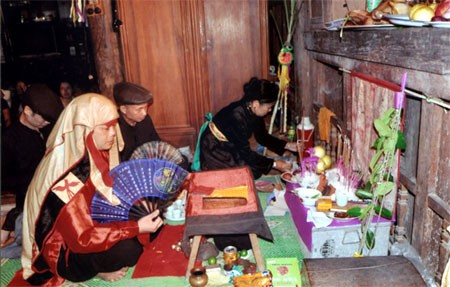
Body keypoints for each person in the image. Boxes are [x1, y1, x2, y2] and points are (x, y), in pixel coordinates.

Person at [21, 93, 164, 285]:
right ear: (85, 131)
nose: (113, 133)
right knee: (129, 250)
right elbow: (82, 238)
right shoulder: (68, 179)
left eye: (114, 126)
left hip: (93, 221)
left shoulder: (95, 152)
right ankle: (99, 270)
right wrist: (136, 227)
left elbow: (110, 190)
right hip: (67, 251)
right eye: (106, 128)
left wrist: (137, 204)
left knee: (155, 212)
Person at [1, 84, 63, 255]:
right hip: (30, 200)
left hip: (55, 193)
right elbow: (4, 179)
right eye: (43, 119)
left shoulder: (48, 128)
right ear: (27, 111)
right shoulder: (8, 140)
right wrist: (37, 177)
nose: (47, 123)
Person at [198, 77, 297, 180]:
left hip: (230, 145)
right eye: (268, 107)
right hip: (214, 147)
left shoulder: (252, 109)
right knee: (248, 173)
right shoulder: (237, 117)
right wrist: (275, 164)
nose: (270, 110)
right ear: (256, 104)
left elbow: (262, 136)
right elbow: (245, 152)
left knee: (255, 169)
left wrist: (288, 145)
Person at [113, 82, 161, 162]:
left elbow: (156, 143)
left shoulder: (145, 120)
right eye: (139, 109)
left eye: (146, 107)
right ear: (124, 109)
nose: (144, 113)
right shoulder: (114, 127)